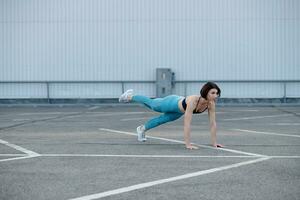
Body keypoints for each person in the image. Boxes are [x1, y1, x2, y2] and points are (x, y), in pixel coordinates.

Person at [119, 82, 224, 150]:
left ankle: (142, 129)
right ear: (206, 92)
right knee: (152, 104)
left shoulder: (211, 104)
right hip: (171, 102)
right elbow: (187, 124)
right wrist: (188, 144)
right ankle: (129, 96)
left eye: (217, 93)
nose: (216, 96)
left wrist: (214, 143)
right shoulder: (193, 100)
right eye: (213, 93)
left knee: (161, 120)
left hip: (178, 112)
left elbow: (212, 123)